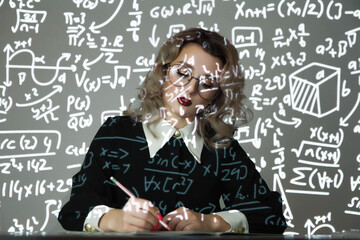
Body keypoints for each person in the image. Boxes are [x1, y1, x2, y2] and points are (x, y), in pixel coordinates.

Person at [58, 28, 287, 234]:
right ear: (163, 71)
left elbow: (271, 214)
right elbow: (74, 208)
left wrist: (212, 222)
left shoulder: (220, 148)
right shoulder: (116, 133)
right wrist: (113, 219)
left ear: (218, 95)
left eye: (207, 83)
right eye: (182, 72)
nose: (190, 88)